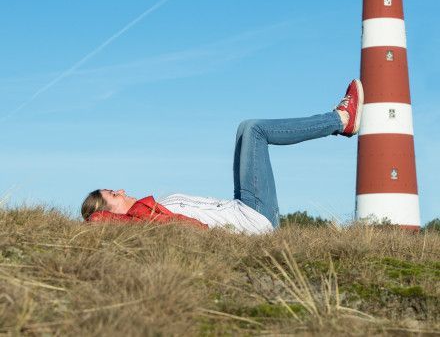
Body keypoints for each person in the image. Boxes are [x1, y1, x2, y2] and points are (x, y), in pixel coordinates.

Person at [81, 79, 363, 233]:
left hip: (242, 207)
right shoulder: (139, 219)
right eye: (113, 195)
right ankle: (340, 120)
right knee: (255, 130)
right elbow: (96, 222)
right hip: (253, 220)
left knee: (244, 129)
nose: (121, 190)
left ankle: (340, 121)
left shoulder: (146, 211)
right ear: (110, 212)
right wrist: (99, 220)